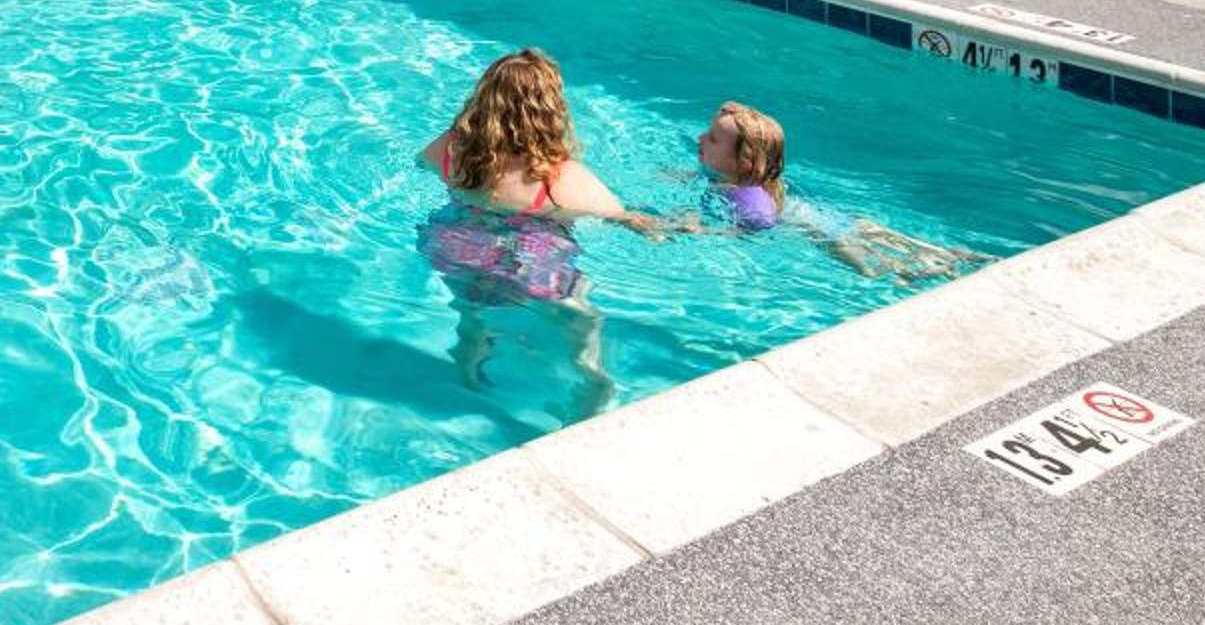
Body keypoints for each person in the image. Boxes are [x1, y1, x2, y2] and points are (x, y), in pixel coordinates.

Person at [414, 48, 653, 405]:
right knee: (579, 313)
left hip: (458, 243)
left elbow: (421, 164)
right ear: (548, 112)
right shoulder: (556, 177)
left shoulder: (452, 148)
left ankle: (468, 361)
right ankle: (592, 377)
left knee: (468, 306)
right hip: (529, 257)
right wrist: (659, 225)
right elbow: (620, 217)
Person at [689, 100, 977, 282]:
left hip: (822, 232)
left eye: (713, 139)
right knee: (873, 234)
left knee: (873, 269)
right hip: (829, 218)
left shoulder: (747, 195)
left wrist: (703, 231)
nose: (701, 137)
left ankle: (919, 269)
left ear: (744, 162)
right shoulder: (743, 179)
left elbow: (760, 222)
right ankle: (949, 253)